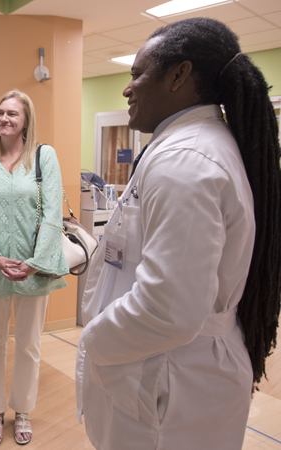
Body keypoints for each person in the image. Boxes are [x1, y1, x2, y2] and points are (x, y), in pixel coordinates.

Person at [76, 17, 281, 450]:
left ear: (179, 75)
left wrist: (92, 339)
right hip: (168, 374)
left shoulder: (185, 160)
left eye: (137, 75)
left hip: (166, 384)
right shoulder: (186, 147)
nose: (128, 89)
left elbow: (168, 307)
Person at [0, 90, 69, 447]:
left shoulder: (44, 157)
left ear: (26, 120)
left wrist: (35, 263)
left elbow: (52, 212)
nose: (4, 119)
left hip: (32, 267)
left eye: (12, 113)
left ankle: (23, 410)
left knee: (28, 345)